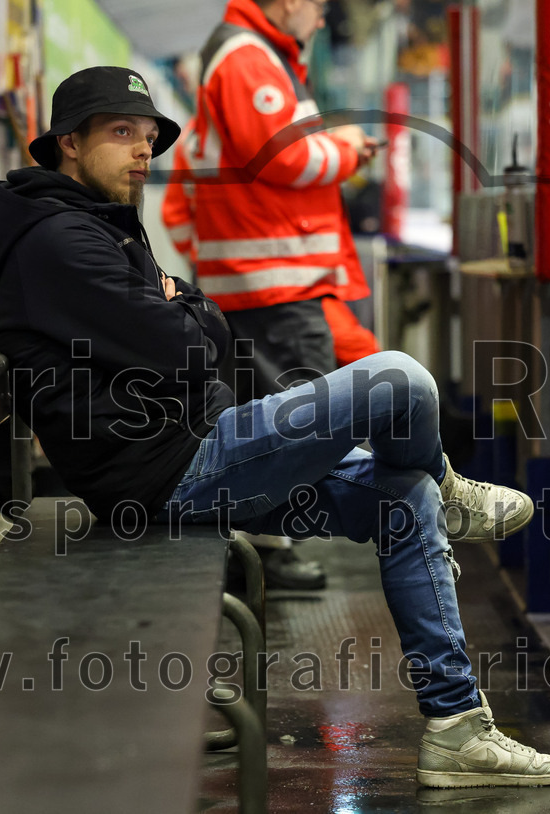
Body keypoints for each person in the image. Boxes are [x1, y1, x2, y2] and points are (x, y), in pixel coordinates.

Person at [0, 64, 550, 789]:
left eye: (147, 135)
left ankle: (457, 729)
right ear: (68, 143)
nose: (143, 150)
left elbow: (200, 330)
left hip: (195, 444)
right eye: (121, 132)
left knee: (404, 498)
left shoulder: (98, 225)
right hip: (167, 472)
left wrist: (184, 310)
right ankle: (450, 486)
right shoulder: (59, 241)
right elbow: (186, 347)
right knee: (397, 380)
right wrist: (185, 314)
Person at [161, 0, 383, 589]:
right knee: (304, 425)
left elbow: (180, 208)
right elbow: (285, 155)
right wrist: (348, 149)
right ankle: (278, 549)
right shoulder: (248, 58)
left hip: (261, 286)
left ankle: (264, 549)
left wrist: (215, 264)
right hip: (278, 288)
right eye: (320, 7)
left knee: (275, 420)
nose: (322, 20)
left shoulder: (244, 61)